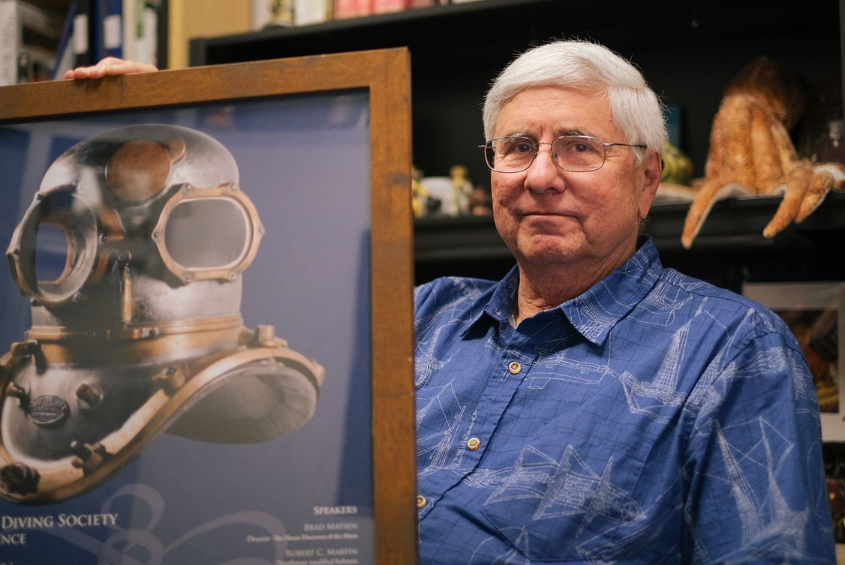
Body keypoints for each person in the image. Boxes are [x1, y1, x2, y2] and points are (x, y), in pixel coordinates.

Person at [68, 41, 835, 563]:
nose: (539, 175)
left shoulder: (732, 349)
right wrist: (163, 116)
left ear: (646, 178)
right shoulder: (419, 314)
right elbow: (226, 330)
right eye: (516, 148)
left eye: (578, 147)